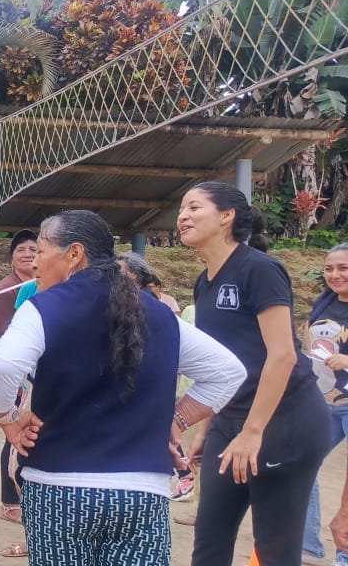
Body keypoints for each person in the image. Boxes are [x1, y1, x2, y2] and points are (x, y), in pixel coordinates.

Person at [0, 210, 245, 566]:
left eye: (41, 251)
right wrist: (177, 420)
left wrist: (7, 417)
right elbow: (228, 372)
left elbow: (2, 365)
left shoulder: (43, 308)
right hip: (142, 492)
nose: (35, 264)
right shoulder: (158, 313)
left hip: (59, 490)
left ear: (74, 254)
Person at [178, 181, 331, 565]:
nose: (182, 216)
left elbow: (283, 356)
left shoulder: (260, 269)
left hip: (284, 421)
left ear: (226, 216)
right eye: (181, 209)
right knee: (208, 541)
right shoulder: (204, 282)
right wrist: (207, 429)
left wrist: (253, 431)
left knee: (275, 551)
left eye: (194, 207)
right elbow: (219, 368)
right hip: (231, 421)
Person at [118, 251, 198, 503]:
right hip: (142, 379)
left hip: (146, 379)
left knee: (161, 429)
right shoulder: (129, 301)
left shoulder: (148, 305)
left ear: (134, 275)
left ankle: (184, 473)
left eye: (119, 270)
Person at [0, 228, 38, 528]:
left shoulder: (47, 285)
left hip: (36, 370)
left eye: (34, 249)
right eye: (21, 250)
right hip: (20, 370)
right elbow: (3, 334)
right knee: (15, 431)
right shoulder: (11, 288)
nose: (29, 254)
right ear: (11, 258)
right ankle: (10, 500)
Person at [304, 244, 348, 566]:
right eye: (329, 268)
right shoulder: (324, 303)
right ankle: (306, 546)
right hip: (324, 402)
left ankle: (344, 554)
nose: (334, 275)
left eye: (343, 268)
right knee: (300, 462)